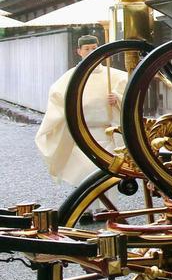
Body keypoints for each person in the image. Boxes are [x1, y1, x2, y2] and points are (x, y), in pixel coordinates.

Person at [35, 34, 128, 186]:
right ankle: (88, 210)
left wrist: (117, 98)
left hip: (107, 133)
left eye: (94, 48)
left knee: (108, 178)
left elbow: (130, 95)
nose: (91, 51)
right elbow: (57, 97)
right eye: (87, 49)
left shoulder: (114, 75)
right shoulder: (71, 77)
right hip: (83, 134)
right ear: (79, 51)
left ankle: (107, 209)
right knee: (86, 179)